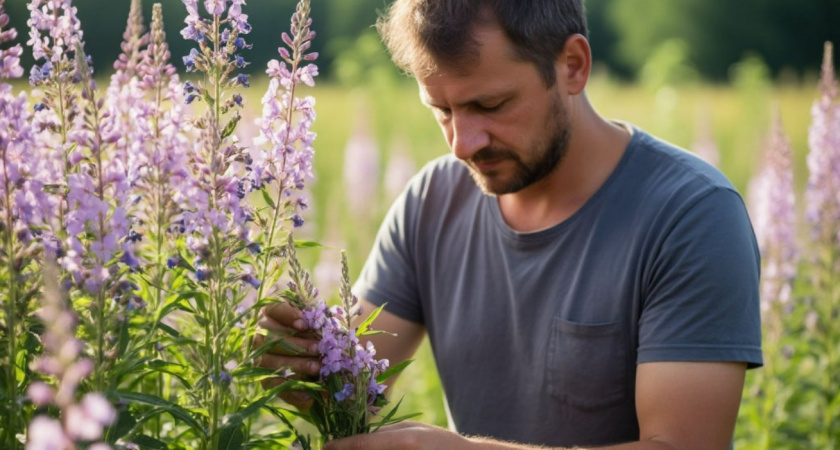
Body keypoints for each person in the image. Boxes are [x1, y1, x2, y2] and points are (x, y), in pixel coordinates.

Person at [256, 0, 763, 448]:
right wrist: (294, 362)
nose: (462, 144)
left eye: (489, 105)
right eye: (442, 109)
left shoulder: (692, 216)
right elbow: (352, 389)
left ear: (573, 65)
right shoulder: (431, 201)